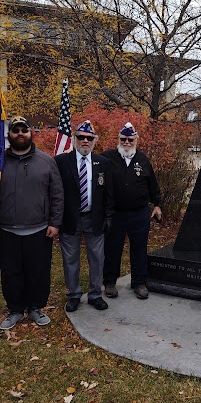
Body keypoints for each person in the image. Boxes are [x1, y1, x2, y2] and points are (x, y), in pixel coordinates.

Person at [0, 116, 64, 330]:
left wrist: (55, 222)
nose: (20, 134)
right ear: (9, 134)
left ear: (31, 133)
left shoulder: (46, 161)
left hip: (39, 229)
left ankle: (36, 308)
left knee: (38, 270)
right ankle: (15, 309)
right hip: (7, 229)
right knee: (11, 272)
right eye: (15, 130)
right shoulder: (1, 162)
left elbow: (57, 194)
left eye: (23, 130)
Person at [55, 120, 114, 312]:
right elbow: (55, 192)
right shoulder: (61, 162)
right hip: (70, 219)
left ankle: (95, 294)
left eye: (89, 138)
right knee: (70, 259)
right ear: (74, 139)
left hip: (94, 218)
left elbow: (109, 193)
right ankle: (73, 295)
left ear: (94, 141)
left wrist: (109, 216)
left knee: (97, 258)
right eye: (81, 137)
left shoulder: (103, 163)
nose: (85, 141)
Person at [101, 122, 162, 299]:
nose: (126, 142)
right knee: (112, 248)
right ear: (118, 139)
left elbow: (153, 185)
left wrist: (157, 204)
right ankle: (110, 282)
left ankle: (139, 283)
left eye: (130, 139)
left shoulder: (143, 160)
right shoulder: (107, 158)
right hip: (115, 213)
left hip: (139, 213)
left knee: (139, 249)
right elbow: (90, 163)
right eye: (123, 139)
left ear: (136, 140)